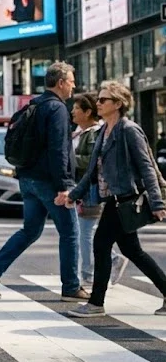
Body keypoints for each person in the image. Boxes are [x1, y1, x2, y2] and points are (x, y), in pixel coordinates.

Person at [0, 62, 88, 302]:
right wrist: (64, 187)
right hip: (49, 182)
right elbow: (58, 150)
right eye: (71, 81)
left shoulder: (35, 105)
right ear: (60, 83)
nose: (74, 86)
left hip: (27, 179)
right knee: (70, 232)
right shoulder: (57, 109)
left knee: (30, 230)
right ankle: (71, 287)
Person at [62, 81, 166, 318]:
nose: (97, 103)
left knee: (100, 244)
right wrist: (73, 195)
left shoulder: (129, 130)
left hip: (125, 199)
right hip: (114, 199)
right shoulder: (103, 131)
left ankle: (96, 302)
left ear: (118, 104)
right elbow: (92, 171)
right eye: (98, 100)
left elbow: (147, 167)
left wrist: (158, 203)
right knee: (132, 250)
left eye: (103, 100)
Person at [71, 93, 126, 288]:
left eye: (77, 108)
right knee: (90, 231)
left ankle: (88, 274)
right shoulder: (80, 133)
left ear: (87, 112)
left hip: (92, 189)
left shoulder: (94, 133)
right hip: (84, 188)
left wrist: (70, 159)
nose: (73, 112)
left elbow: (92, 163)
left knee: (84, 232)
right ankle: (110, 261)